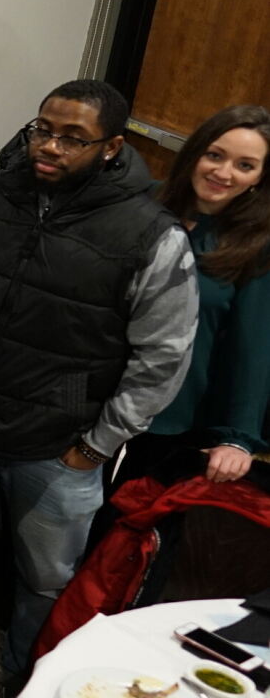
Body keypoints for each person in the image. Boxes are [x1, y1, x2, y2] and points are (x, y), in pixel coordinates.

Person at [0, 80, 196, 688]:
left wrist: (96, 446)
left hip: (55, 448)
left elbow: (163, 358)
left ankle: (26, 693)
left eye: (73, 138)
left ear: (111, 147)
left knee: (45, 585)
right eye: (42, 130)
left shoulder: (148, 234)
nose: (50, 146)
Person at [129, 105, 270, 487]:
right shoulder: (145, 203)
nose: (223, 173)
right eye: (215, 155)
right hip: (100, 397)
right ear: (195, 153)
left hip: (178, 418)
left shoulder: (256, 246)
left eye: (245, 165)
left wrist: (237, 438)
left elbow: (252, 349)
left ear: (259, 178)